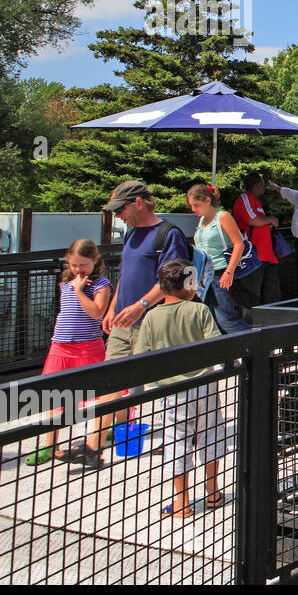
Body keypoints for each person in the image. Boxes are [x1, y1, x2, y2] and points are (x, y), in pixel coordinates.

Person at [58, 181, 191, 469]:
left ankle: (182, 440)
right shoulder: (131, 233)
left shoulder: (169, 235)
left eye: (122, 209)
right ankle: (93, 446)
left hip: (155, 324)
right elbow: (126, 273)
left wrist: (140, 305)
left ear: (139, 203)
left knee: (164, 384)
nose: (118, 215)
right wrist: (116, 305)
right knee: (111, 378)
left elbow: (174, 281)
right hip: (123, 322)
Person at [135, 259, 225, 519]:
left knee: (176, 441)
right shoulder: (200, 311)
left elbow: (141, 354)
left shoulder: (151, 317)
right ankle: (212, 492)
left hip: (172, 390)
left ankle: (182, 502)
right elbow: (216, 344)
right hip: (204, 383)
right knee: (211, 434)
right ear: (189, 285)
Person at [22, 240, 112, 466]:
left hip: (88, 347)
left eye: (83, 265)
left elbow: (96, 313)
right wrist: (73, 286)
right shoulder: (67, 281)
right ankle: (49, 445)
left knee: (102, 394)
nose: (78, 270)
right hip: (61, 346)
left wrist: (79, 291)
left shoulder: (101, 284)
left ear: (95, 261)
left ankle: (106, 432)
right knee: (53, 395)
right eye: (73, 265)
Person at [187, 183, 259, 334]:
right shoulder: (202, 221)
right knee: (213, 316)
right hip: (206, 275)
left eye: (196, 205)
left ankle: (252, 345)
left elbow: (238, 243)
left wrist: (229, 272)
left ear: (207, 200)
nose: (193, 209)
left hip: (220, 273)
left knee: (226, 318)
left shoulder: (222, 216)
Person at [232, 173, 281, 306]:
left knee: (271, 294)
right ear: (258, 184)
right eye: (262, 185)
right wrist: (271, 219)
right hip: (254, 255)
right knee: (252, 295)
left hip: (266, 255)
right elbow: (252, 219)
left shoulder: (255, 200)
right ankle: (250, 323)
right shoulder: (245, 198)